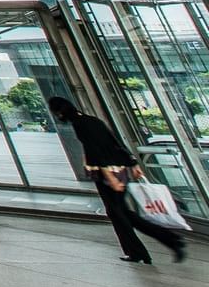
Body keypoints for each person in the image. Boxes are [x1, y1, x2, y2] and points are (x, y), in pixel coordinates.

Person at [49, 96, 185, 264]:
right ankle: (152, 247)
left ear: (60, 112)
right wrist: (133, 163)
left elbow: (95, 151)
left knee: (118, 215)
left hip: (108, 175)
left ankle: (165, 242)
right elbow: (115, 142)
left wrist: (110, 177)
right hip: (121, 170)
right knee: (122, 214)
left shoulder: (80, 125)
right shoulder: (93, 120)